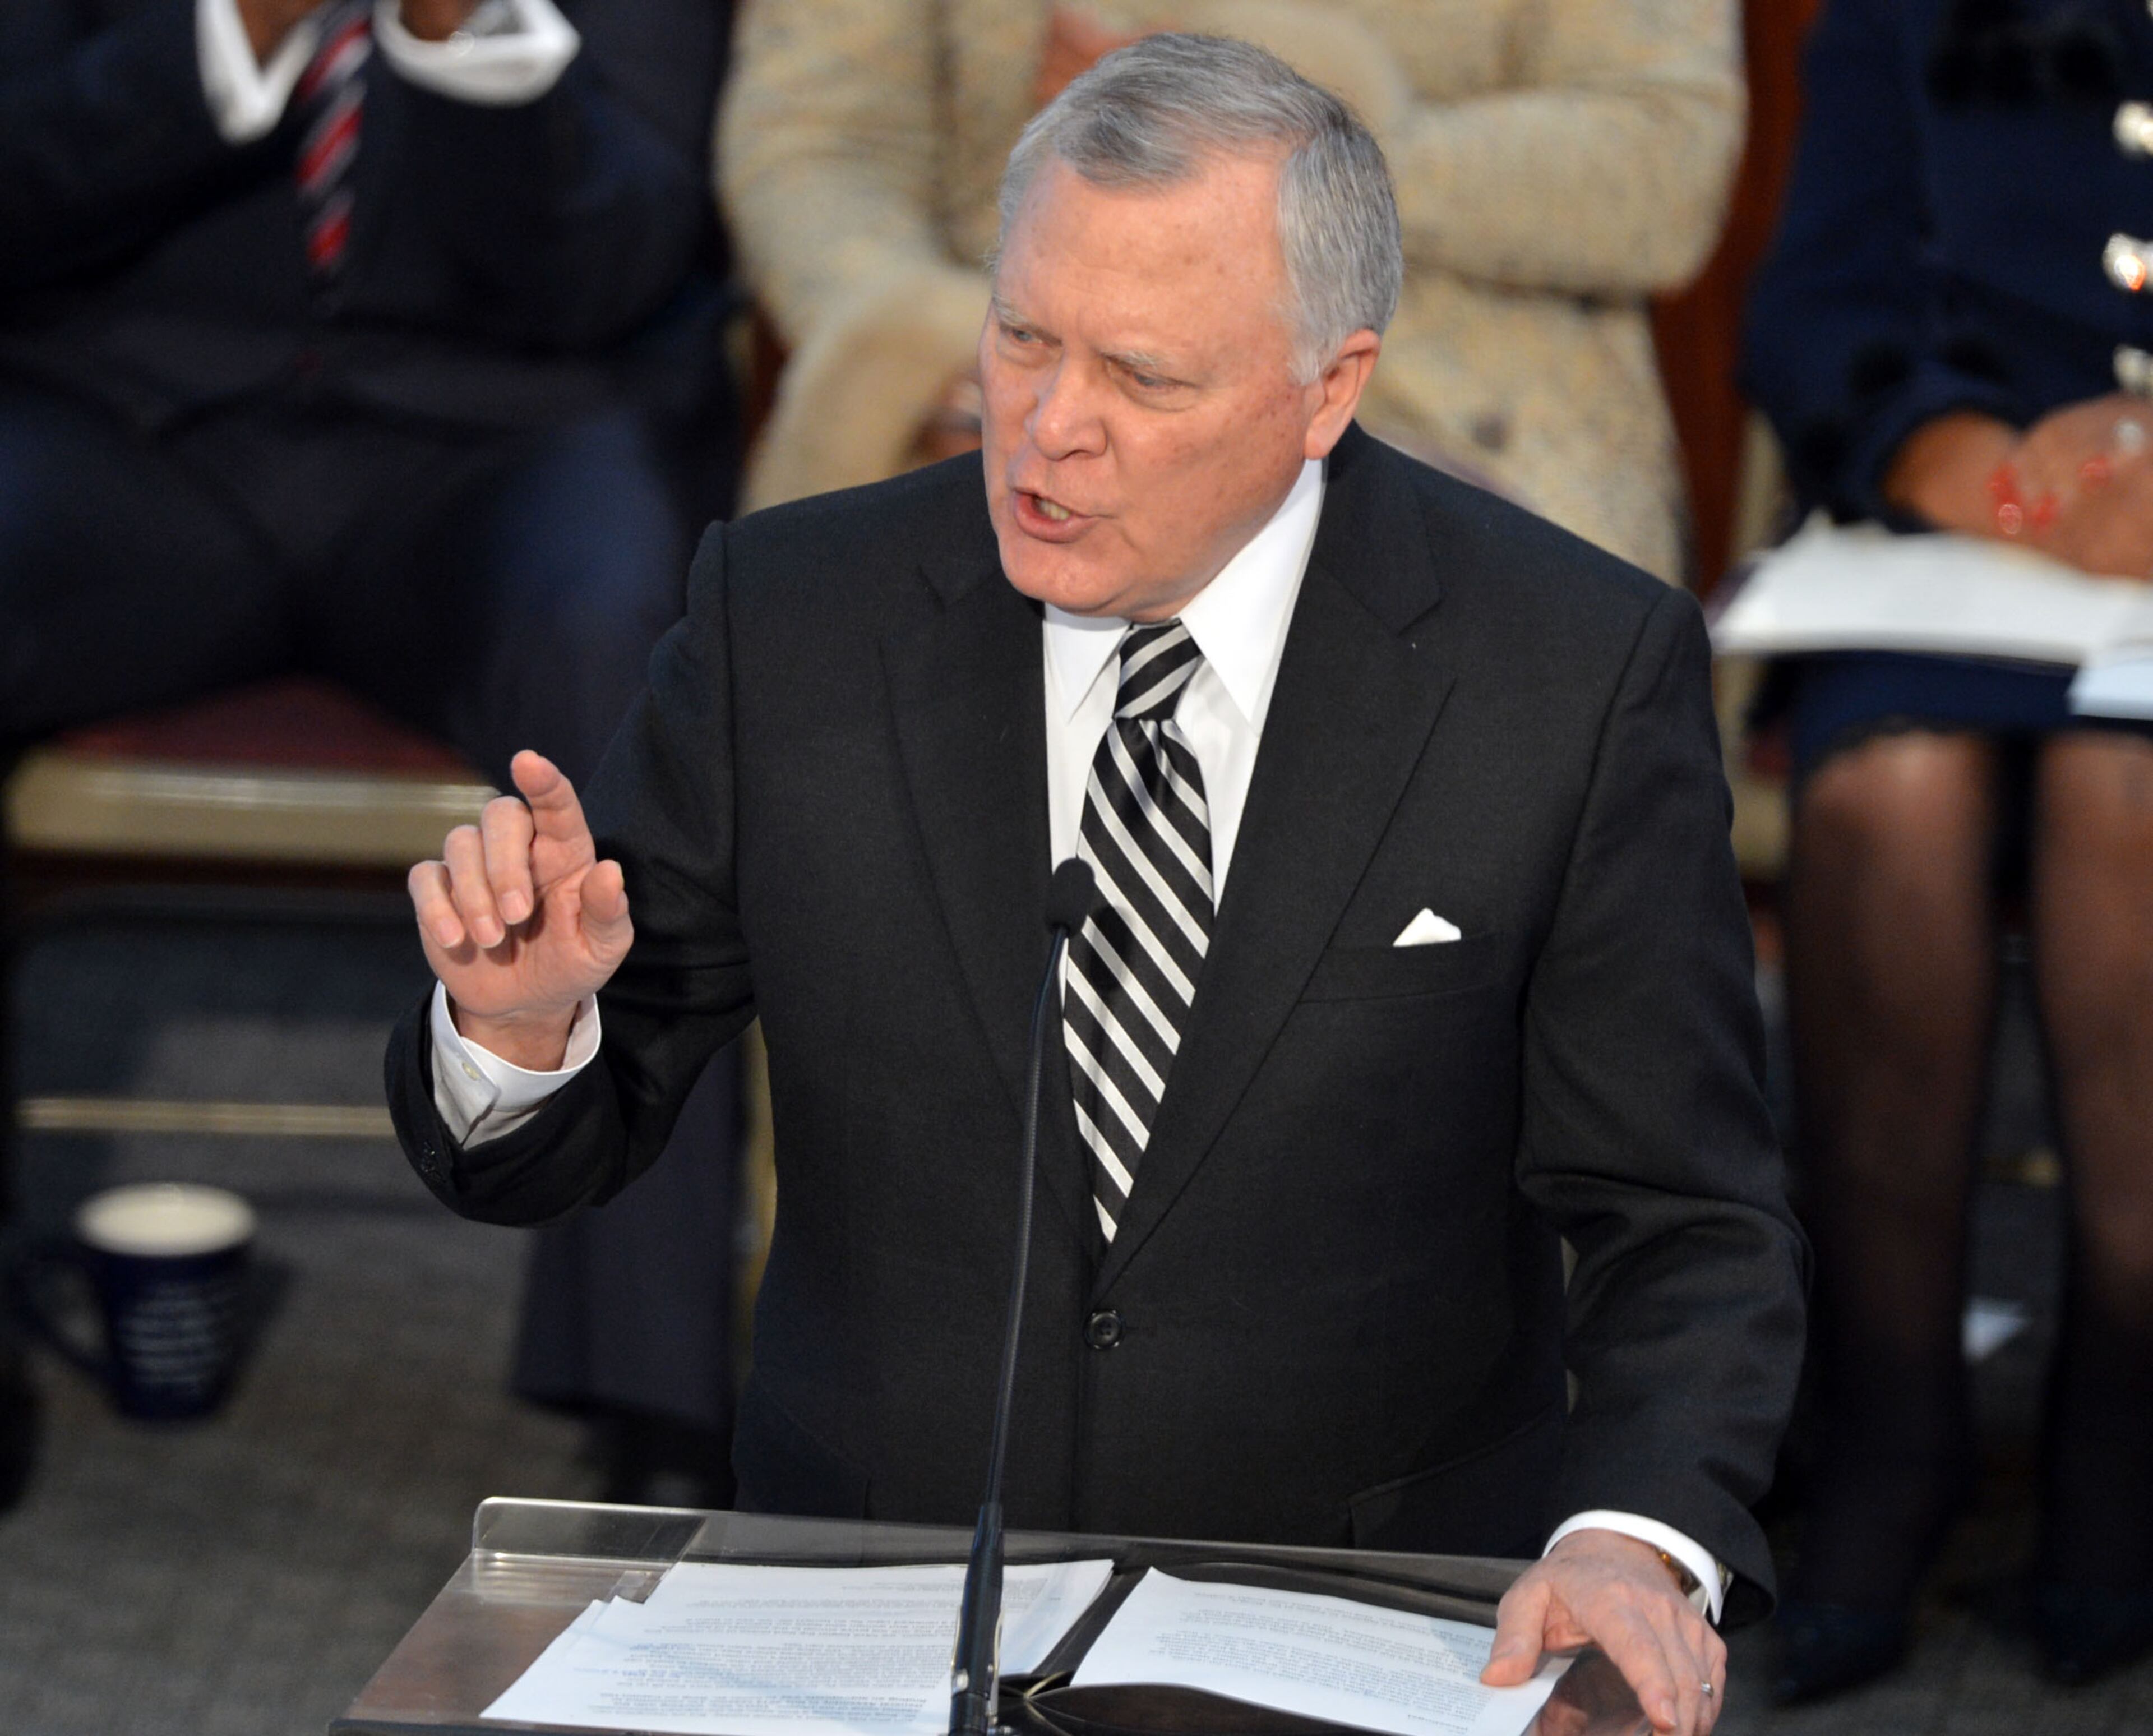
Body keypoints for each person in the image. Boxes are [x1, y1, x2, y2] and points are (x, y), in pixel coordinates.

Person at [391, 38, 1805, 1735]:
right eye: (1022, 340)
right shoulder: (799, 621)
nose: (1048, 432)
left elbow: (1689, 1219)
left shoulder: (1562, 675)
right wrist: (523, 1029)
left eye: (1142, 375)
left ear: (1327, 387)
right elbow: (565, 1143)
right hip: (872, 1617)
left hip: (1366, 1625)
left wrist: (1631, 1537)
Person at [0, 0, 742, 1506]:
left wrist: (465, 48)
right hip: (127, 422)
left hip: (509, 440)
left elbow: (615, 256)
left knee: (632, 647)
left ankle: (650, 1406)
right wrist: (237, 29)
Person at [1742, 0, 2153, 1698]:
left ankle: (2125, 1410)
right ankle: (1889, 1418)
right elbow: (1817, 301)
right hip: (1962, 535)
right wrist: (1993, 475)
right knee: (1885, 793)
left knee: (2124, 806)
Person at [719, 0, 1741, 584]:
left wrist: (1278, 155)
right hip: (1007, 365)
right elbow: (819, 142)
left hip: (1462, 399)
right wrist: (958, 362)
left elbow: (1665, 159)